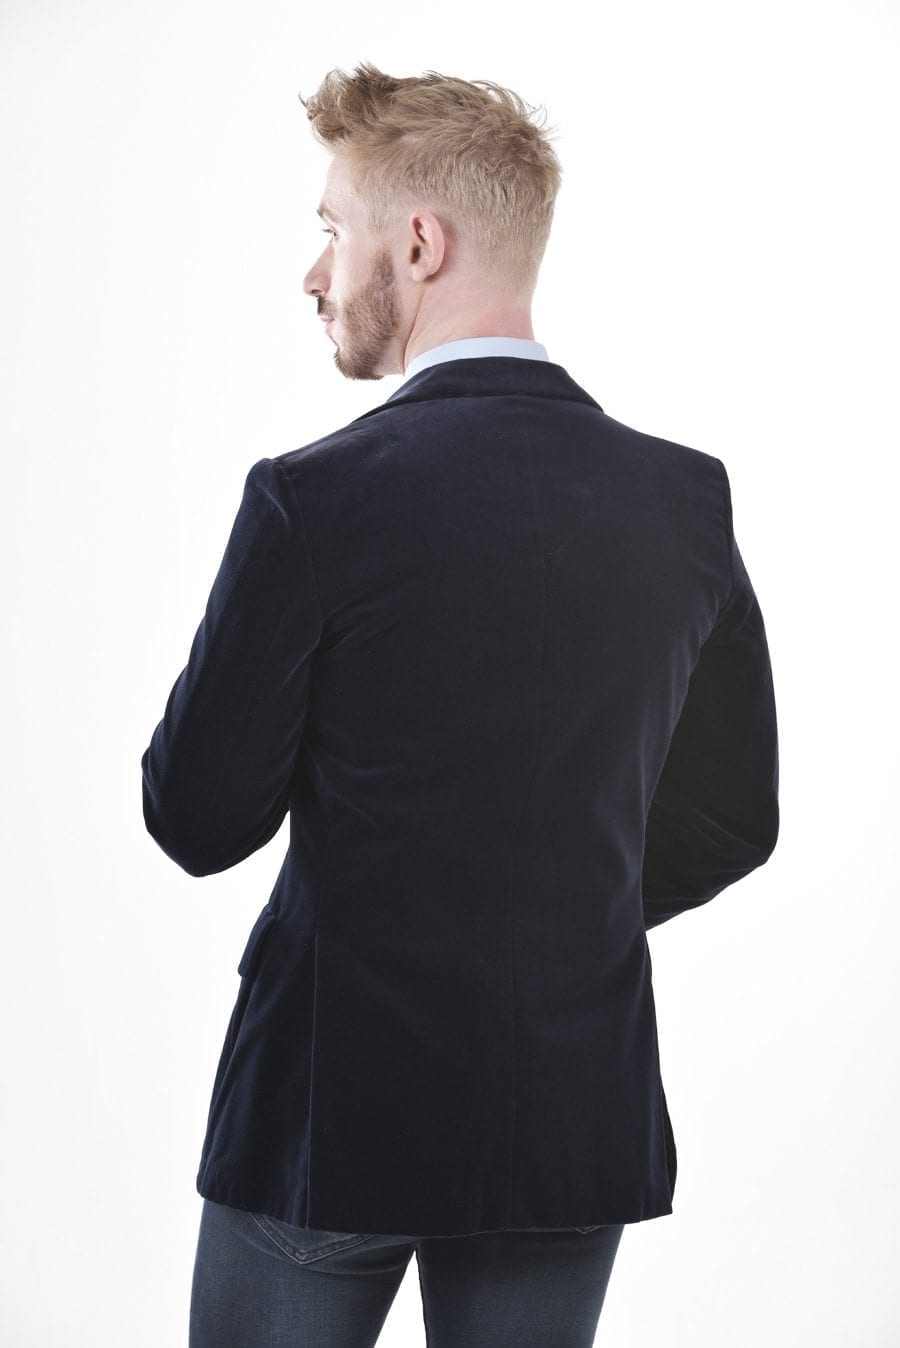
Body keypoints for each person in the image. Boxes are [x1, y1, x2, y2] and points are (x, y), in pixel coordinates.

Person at [141, 61, 780, 1347]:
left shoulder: (313, 500)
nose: (314, 272)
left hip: (333, 1104)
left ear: (420, 244)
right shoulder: (683, 502)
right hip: (566, 1107)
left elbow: (197, 819)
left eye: (334, 229)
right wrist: (553, 905)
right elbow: (732, 822)